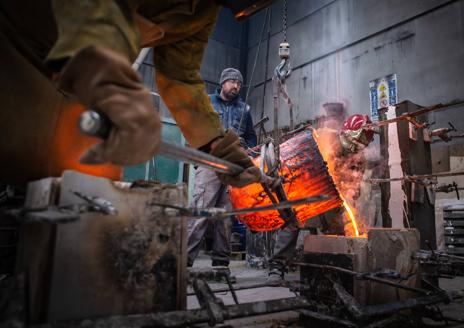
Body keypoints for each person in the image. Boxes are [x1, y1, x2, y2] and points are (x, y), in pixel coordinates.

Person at [0, 1, 275, 187]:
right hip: (23, 47)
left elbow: (180, 76)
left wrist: (218, 146)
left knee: (84, 189)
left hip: (80, 81)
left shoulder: (202, 11)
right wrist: (113, 83)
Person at [267, 113, 374, 283]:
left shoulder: (359, 159)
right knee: (293, 220)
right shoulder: (324, 137)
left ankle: (332, 268)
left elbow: (355, 188)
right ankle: (277, 266)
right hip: (307, 191)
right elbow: (299, 159)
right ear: (347, 134)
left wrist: (349, 204)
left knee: (338, 228)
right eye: (354, 144)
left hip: (333, 198)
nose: (355, 150)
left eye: (360, 147)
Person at [187, 68, 257, 268]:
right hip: (210, 164)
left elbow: (251, 137)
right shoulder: (207, 101)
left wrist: (248, 150)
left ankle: (221, 265)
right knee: (201, 213)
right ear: (223, 82)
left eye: (239, 83)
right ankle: (184, 262)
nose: (236, 86)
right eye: (232, 81)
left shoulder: (244, 109)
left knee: (225, 219)